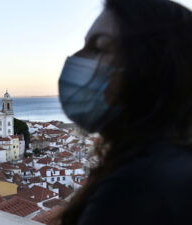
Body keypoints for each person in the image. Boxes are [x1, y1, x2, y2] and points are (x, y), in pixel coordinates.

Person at [57, 0, 192, 224]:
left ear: (150, 64)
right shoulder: (175, 164)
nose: (76, 57)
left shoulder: (136, 189)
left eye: (98, 47)